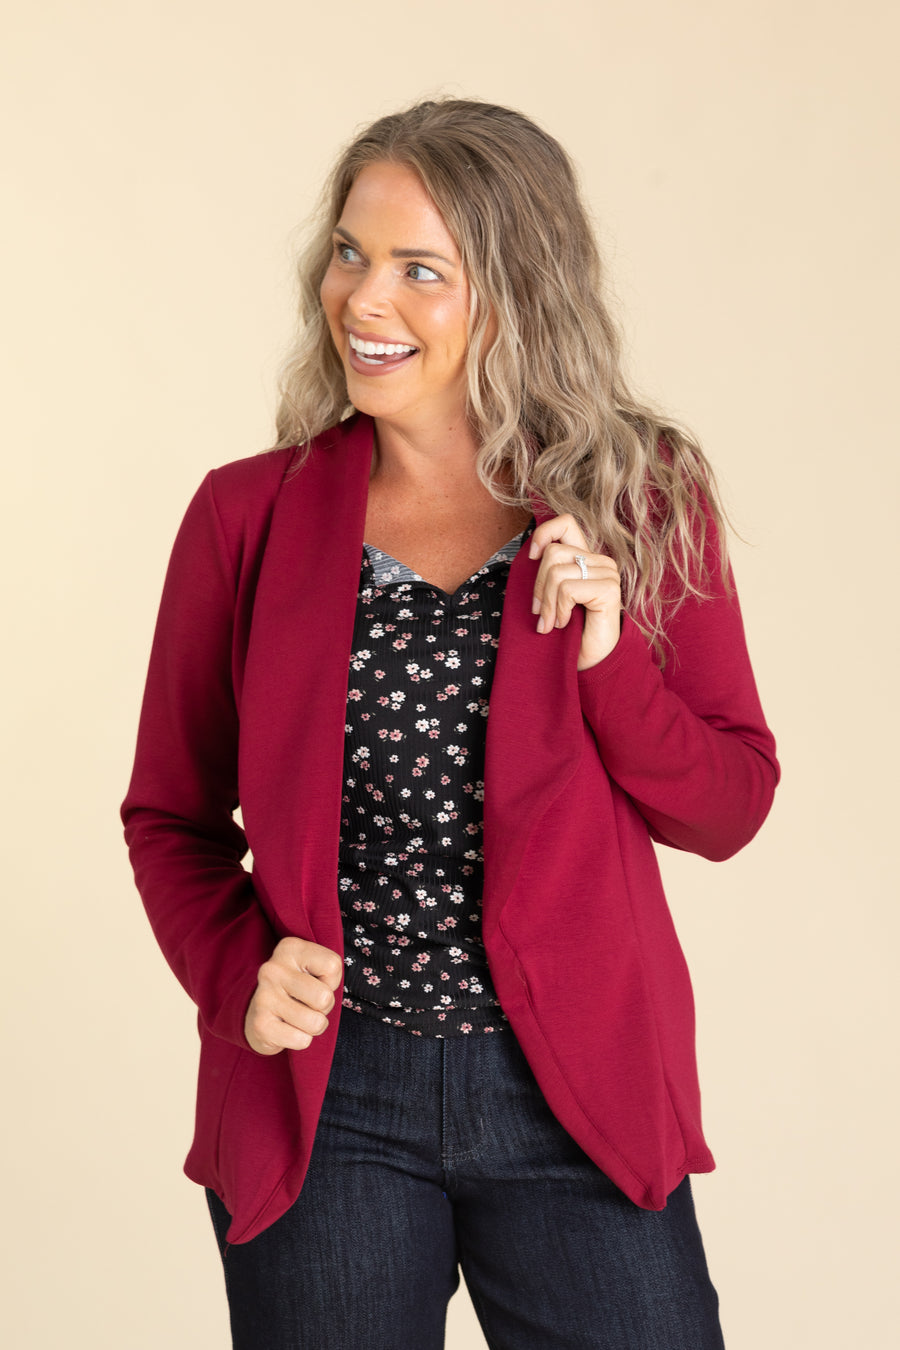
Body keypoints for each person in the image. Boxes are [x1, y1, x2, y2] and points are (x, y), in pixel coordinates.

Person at [122, 98, 779, 1350]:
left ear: (517, 293)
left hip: (574, 1092)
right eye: (351, 254)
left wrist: (609, 663)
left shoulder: (639, 497)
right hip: (328, 1099)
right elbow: (169, 814)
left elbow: (728, 807)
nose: (363, 299)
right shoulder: (245, 517)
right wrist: (237, 974)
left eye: (420, 269)